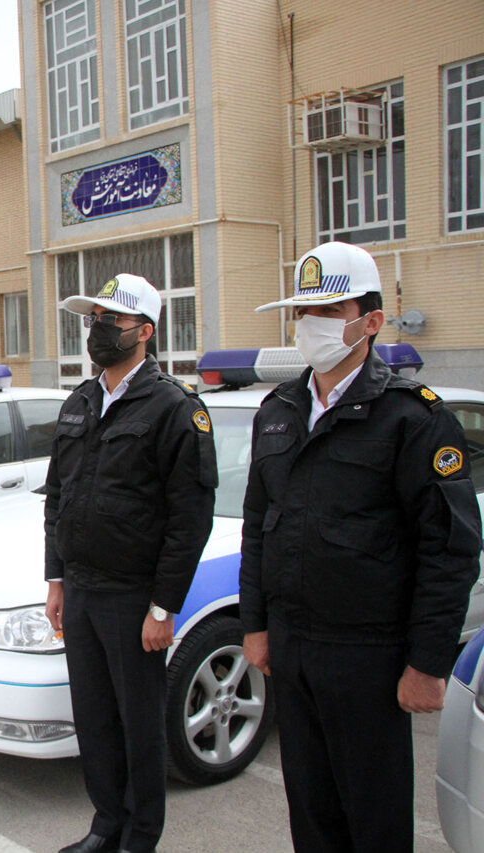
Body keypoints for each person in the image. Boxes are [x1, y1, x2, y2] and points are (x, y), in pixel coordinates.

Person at [239, 241, 482, 853]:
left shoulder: (412, 418)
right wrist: (257, 626)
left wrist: (428, 664)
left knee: (372, 816)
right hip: (293, 646)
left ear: (371, 321)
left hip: (368, 654)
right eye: (301, 313)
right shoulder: (279, 410)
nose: (308, 326)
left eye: (326, 310)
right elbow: (257, 525)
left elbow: (449, 548)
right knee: (312, 809)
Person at [43, 274, 217, 853]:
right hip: (84, 590)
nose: (97, 330)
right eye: (93, 320)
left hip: (134, 596)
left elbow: (188, 519)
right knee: (94, 720)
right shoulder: (81, 399)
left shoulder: (173, 406)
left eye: (109, 321)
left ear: (143, 332)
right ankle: (106, 824)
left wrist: (163, 606)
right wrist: (56, 577)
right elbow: (58, 496)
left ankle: (140, 836)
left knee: (139, 725)